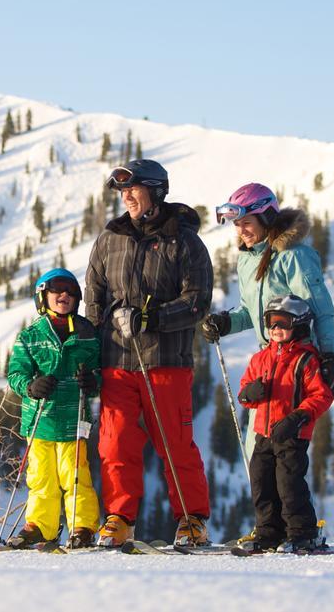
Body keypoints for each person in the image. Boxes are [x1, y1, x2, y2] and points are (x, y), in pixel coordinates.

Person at [200, 182, 334, 545]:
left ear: (266, 217)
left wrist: (330, 357)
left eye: (246, 222)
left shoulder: (294, 256)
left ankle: (298, 529)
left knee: (287, 457)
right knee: (258, 456)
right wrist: (226, 322)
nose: (241, 230)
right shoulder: (247, 259)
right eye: (236, 224)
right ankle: (270, 528)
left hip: (299, 364)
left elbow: (321, 309)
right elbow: (254, 312)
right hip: (268, 363)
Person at [84, 159, 213, 548]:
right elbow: (94, 296)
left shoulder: (185, 241)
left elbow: (198, 301)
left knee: (175, 443)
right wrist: (90, 354)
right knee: (114, 443)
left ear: (156, 191)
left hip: (165, 361)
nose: (126, 197)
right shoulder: (111, 238)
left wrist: (151, 318)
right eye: (122, 192)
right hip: (116, 361)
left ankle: (191, 520)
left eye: (133, 189)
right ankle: (120, 518)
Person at [6, 268, 102, 549]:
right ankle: (41, 526)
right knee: (41, 477)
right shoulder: (31, 335)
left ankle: (82, 526)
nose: (64, 295)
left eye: (71, 291)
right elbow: (15, 374)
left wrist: (92, 381)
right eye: (56, 290)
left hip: (74, 420)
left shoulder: (87, 334)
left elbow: (99, 372)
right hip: (40, 420)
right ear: (42, 297)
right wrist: (30, 386)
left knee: (75, 476)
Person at [236, 295, 333, 553]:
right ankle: (269, 532)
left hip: (291, 434)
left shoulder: (305, 360)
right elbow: (243, 391)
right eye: (271, 321)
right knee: (261, 482)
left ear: (299, 325)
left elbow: (321, 396)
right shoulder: (260, 359)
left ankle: (302, 533)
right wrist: (250, 393)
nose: (275, 328)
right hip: (263, 434)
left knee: (289, 484)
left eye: (283, 322)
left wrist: (297, 417)